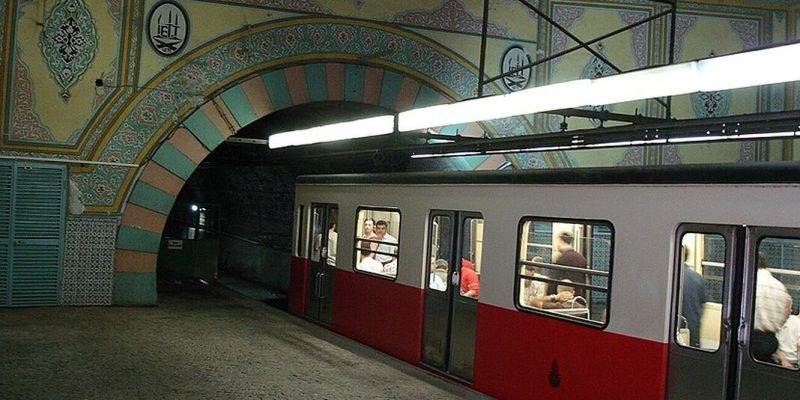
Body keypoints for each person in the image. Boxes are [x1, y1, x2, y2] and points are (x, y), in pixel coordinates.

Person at [752, 253, 792, 364]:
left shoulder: (747, 282)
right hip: (770, 341)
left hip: (749, 339)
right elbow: (785, 316)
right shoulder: (780, 287)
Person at [680, 245, 708, 348]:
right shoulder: (697, 277)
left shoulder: (670, 276)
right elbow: (704, 304)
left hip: (674, 329)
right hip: (693, 327)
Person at [550, 231, 588, 298]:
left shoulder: (561, 259)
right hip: (578, 297)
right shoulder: (582, 258)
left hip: (563, 298)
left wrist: (551, 298)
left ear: (560, 240)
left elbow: (553, 282)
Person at [776, 300, 800, 369]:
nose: (791, 310)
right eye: (789, 308)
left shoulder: (794, 322)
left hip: (791, 363)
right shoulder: (772, 324)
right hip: (783, 362)